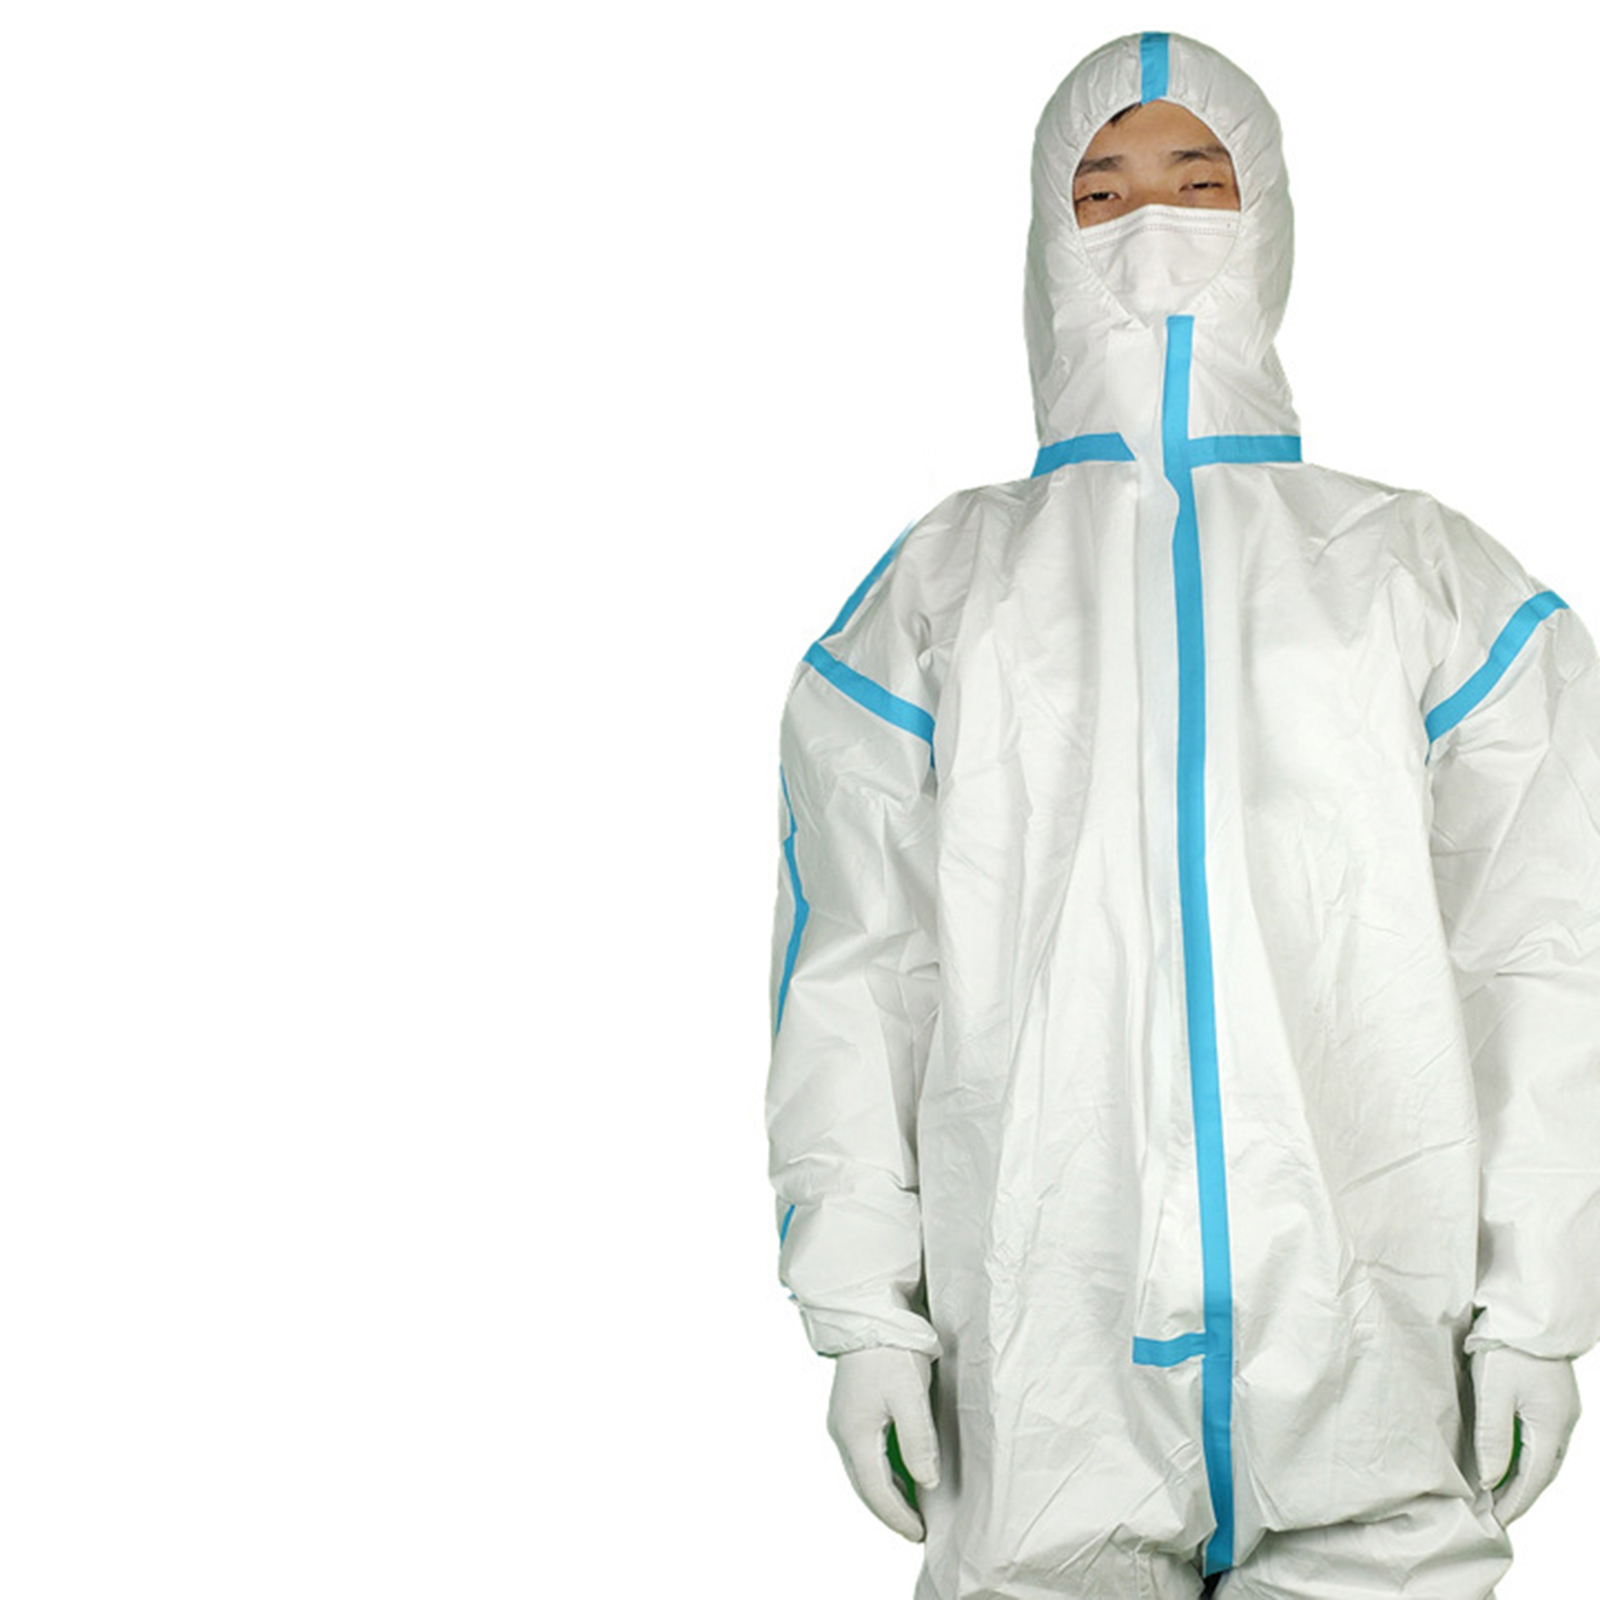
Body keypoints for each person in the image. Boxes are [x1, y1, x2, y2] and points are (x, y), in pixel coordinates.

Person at [764, 29, 1599, 1600]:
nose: (1151, 222)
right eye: (1103, 190)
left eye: (1197, 179)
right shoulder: (944, 590)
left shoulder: (1419, 576)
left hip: (1376, 1355)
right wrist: (863, 1311)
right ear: (1044, 236)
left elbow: (1549, 952)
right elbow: (856, 973)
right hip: (1038, 1380)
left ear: (1267, 214)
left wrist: (1540, 1306)